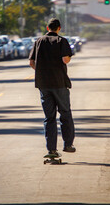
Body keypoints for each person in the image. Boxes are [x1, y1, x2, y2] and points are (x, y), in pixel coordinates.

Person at [29, 18, 76, 156]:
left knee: (49, 117)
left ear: (47, 28)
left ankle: (51, 149)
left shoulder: (38, 41)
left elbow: (31, 62)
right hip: (59, 83)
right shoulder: (62, 41)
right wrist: (69, 58)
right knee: (65, 113)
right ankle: (68, 144)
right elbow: (65, 60)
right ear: (59, 28)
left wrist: (42, 71)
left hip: (44, 85)